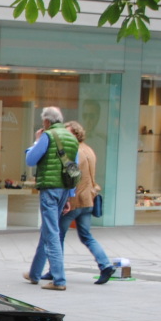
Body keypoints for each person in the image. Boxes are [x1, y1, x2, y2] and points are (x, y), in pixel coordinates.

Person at [30, 121, 115, 286]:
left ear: (75, 134)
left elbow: (73, 176)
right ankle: (105, 264)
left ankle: (55, 272)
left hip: (75, 201)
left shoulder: (75, 151)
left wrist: (68, 197)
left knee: (56, 235)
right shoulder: (89, 150)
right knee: (86, 236)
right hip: (88, 199)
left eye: (67, 132)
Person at [22, 106, 78, 290]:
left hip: (50, 188)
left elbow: (31, 160)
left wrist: (36, 141)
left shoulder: (48, 135)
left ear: (47, 121)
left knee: (52, 231)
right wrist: (70, 195)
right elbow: (73, 167)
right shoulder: (71, 137)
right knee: (48, 229)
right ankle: (35, 273)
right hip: (64, 187)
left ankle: (59, 279)